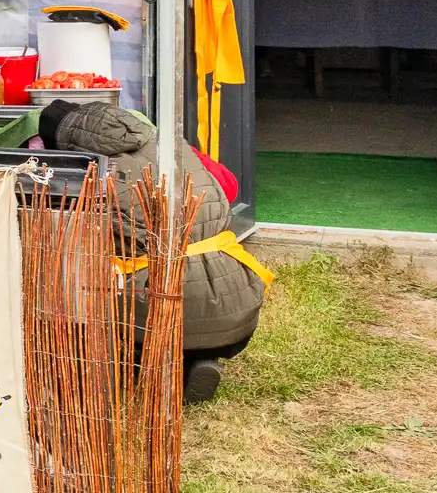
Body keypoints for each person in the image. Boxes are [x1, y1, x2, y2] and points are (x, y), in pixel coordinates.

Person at [38, 99, 270, 404]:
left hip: (164, 305)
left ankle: (146, 362)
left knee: (83, 278)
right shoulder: (172, 144)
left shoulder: (91, 173)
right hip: (237, 302)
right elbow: (229, 186)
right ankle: (196, 360)